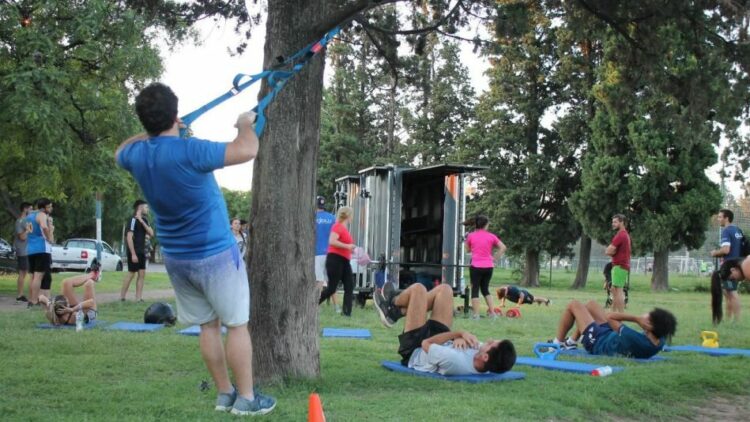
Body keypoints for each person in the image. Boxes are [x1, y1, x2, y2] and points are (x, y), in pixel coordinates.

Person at [115, 82, 275, 415]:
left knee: (207, 326)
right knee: (237, 325)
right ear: (176, 114)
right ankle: (246, 398)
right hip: (215, 254)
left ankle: (224, 394)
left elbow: (121, 148)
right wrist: (245, 123)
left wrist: (155, 131)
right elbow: (246, 150)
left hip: (177, 259)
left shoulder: (136, 155)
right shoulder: (191, 150)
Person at [373, 282, 516, 375]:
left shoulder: (454, 360)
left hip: (416, 349)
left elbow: (426, 344)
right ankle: (397, 312)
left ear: (485, 357)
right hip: (440, 342)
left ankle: (393, 303)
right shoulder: (482, 355)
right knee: (445, 290)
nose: (489, 340)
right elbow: (466, 341)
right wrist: (459, 337)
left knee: (419, 289)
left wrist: (458, 333)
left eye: (491, 343)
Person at [549, 299, 676, 359]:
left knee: (573, 304)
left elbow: (609, 317)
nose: (643, 315)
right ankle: (571, 343)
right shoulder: (659, 341)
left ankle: (556, 344)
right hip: (609, 337)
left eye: (647, 316)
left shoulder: (633, 339)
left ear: (649, 326)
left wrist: (636, 319)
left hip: (598, 343)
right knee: (590, 305)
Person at [464, 215, 506, 319]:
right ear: (485, 225)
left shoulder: (470, 236)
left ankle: (476, 315)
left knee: (475, 290)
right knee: (485, 289)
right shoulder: (491, 236)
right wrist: (494, 259)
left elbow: (467, 250)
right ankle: (492, 314)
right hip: (488, 267)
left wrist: (469, 243)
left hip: (476, 266)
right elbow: (503, 247)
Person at [318, 206, 356, 316]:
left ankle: (347, 313)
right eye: (351, 215)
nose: (352, 217)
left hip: (344, 260)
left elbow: (344, 245)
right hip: (335, 259)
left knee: (349, 285)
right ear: (348, 215)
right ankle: (313, 304)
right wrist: (347, 246)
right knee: (332, 288)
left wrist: (350, 249)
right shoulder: (337, 227)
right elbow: (331, 241)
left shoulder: (344, 229)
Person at [710, 209, 743, 323]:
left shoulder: (727, 231)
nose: (718, 219)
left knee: (732, 293)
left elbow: (726, 250)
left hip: (729, 265)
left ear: (726, 218)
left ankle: (736, 321)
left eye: (720, 217)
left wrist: (715, 253)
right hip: (738, 264)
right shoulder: (738, 230)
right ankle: (729, 319)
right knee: (727, 292)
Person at [120, 199, 154, 302]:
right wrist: (133, 254)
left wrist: (142, 221)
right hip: (133, 252)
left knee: (142, 274)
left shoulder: (144, 220)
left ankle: (138, 298)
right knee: (131, 273)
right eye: (146, 207)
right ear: (140, 207)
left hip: (141, 251)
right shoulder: (132, 220)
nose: (147, 209)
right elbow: (129, 237)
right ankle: (122, 297)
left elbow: (151, 233)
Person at [26, 198, 54, 307]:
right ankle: (34, 301)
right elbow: (44, 227)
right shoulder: (41, 214)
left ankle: (30, 300)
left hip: (30, 249)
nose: (51, 209)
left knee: (32, 276)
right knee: (38, 276)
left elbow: (28, 232)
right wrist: (49, 237)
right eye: (49, 207)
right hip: (41, 248)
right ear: (43, 207)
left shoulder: (29, 216)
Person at [314, 196, 339, 313]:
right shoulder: (332, 218)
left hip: (317, 253)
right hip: (330, 253)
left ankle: (316, 306)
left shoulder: (312, 218)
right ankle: (337, 307)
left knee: (318, 281)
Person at [605, 214, 631, 312]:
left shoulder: (621, 235)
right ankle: (612, 313)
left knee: (618, 291)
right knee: (614, 289)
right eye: (613, 222)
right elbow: (611, 250)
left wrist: (610, 251)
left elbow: (608, 251)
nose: (613, 224)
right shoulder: (625, 235)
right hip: (621, 266)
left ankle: (620, 315)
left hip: (619, 266)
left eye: (615, 222)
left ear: (622, 222)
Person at [13, 202, 33, 303]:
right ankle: (20, 295)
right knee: (22, 272)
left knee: (25, 272)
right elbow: (22, 236)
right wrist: (28, 230)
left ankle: (22, 295)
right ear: (25, 209)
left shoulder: (26, 221)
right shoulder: (20, 221)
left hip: (27, 250)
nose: (32, 211)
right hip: (22, 250)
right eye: (31, 209)